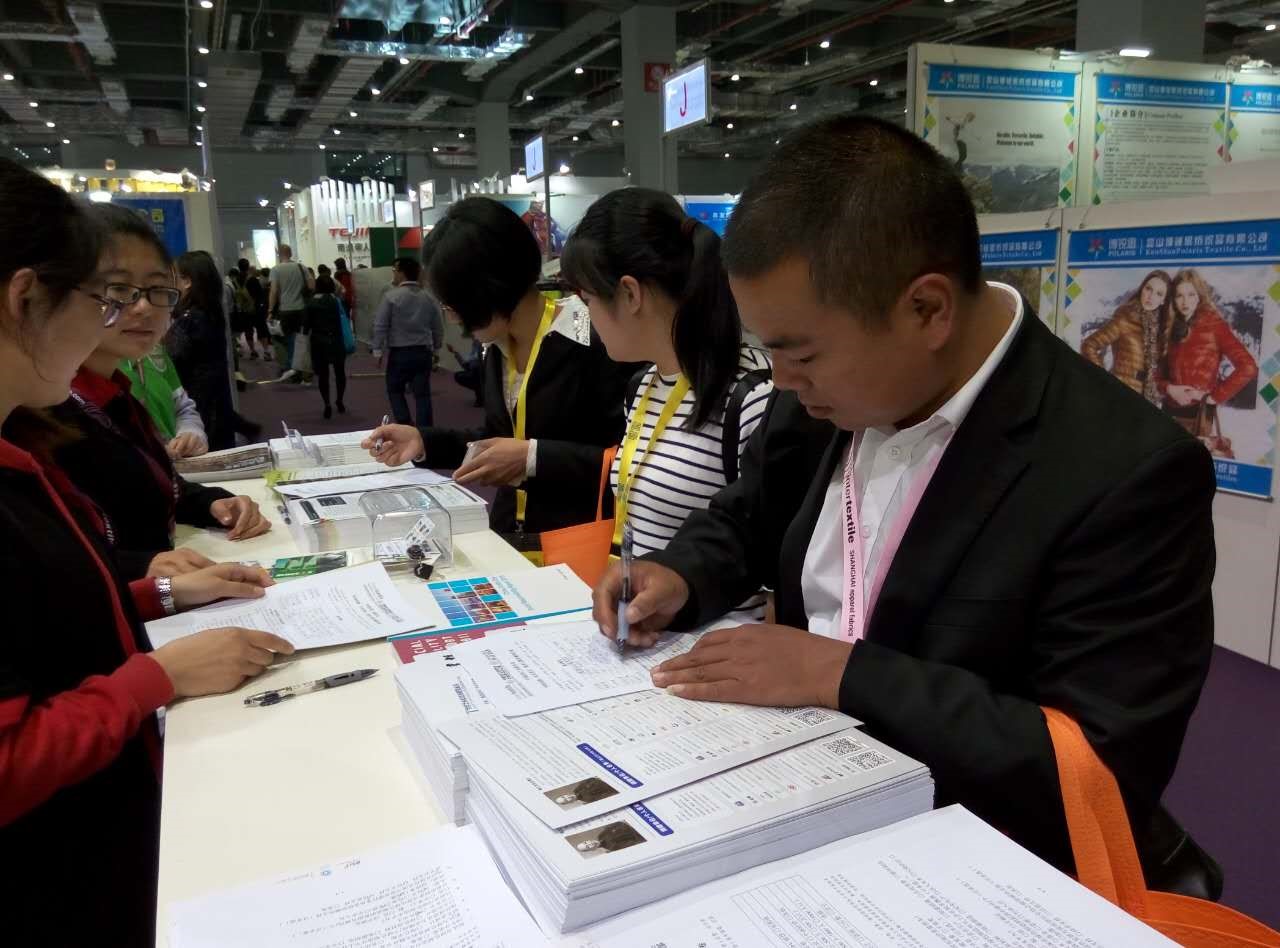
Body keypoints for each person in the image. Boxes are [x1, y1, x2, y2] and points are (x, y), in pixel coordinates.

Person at [591, 116, 1220, 897]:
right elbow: (751, 516)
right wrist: (681, 574)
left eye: (799, 351)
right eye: (771, 348)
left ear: (926, 311)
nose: (780, 378)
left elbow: (1095, 766)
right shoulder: (818, 396)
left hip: (968, 862)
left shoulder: (1122, 470)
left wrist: (843, 675)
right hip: (797, 796)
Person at [0, 156, 296, 945]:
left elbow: (46, 614)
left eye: (155, 293)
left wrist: (157, 594)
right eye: (101, 296)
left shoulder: (25, 446)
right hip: (59, 872)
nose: (127, 314)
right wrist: (154, 678)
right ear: (26, 299)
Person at [16, 203, 272, 581]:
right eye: (119, 289)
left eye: (158, 289)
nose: (143, 307)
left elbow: (151, 488)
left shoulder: (115, 395)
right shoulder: (40, 410)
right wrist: (145, 572)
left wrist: (212, 502)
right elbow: (47, 563)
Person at [364, 197, 636, 537]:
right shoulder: (496, 345)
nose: (453, 317)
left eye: (454, 303)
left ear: (489, 287)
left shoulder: (596, 341)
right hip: (514, 535)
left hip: (581, 541)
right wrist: (423, 441)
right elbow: (501, 442)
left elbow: (635, 462)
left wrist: (534, 458)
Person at [559, 187, 773, 562]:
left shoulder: (754, 395)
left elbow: (770, 555)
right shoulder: (643, 385)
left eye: (588, 301)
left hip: (712, 603)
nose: (588, 319)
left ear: (630, 294)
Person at [1160, 268, 1258, 443]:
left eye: (1191, 294)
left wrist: (1214, 397)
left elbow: (1248, 366)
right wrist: (1169, 388)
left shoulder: (1214, 325)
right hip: (1167, 411)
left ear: (1199, 296)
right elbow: (1157, 374)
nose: (1185, 302)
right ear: (1173, 299)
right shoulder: (1171, 327)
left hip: (1198, 414)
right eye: (1179, 295)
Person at [169, 252, 237, 450]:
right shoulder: (211, 313)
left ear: (187, 282)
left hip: (198, 404)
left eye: (174, 277)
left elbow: (171, 363)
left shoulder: (189, 320)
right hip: (216, 399)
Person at [1081, 270, 1173, 406]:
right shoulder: (1125, 318)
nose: (1151, 296)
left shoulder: (1159, 329)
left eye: (1159, 294)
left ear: (1163, 301)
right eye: (1148, 289)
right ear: (1142, 289)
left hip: (1147, 399)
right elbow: (1089, 345)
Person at [372, 256, 444, 427]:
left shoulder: (391, 296)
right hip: (423, 352)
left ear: (401, 273)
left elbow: (380, 325)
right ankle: (425, 432)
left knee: (395, 390)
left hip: (399, 353)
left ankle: (405, 425)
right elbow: (438, 327)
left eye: (394, 271)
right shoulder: (428, 298)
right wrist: (436, 349)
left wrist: (377, 350)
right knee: (422, 394)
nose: (393, 274)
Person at [119, 345, 211, 458]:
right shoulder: (102, 366)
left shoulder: (156, 353)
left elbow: (183, 410)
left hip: (175, 464)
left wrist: (191, 434)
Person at [303, 274, 348, 419]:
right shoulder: (336, 301)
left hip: (319, 342)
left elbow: (306, 326)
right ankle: (340, 400)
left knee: (323, 375)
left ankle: (327, 404)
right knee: (340, 373)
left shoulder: (311, 303)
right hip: (336, 340)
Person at [269, 243, 313, 379]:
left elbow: (274, 291)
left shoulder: (276, 269)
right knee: (302, 339)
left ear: (279, 254)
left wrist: (270, 310)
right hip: (301, 309)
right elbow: (311, 286)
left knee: (288, 339)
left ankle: (292, 368)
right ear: (291, 253)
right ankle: (303, 368)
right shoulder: (301, 267)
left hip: (285, 310)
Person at [238, 258, 271, 359]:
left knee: (248, 331)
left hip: (244, 309)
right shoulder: (252, 279)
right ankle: (266, 352)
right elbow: (260, 294)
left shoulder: (237, 280)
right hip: (256, 309)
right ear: (248, 266)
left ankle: (253, 351)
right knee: (262, 330)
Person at [334, 256, 356, 321]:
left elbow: (337, 286)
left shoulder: (337, 274)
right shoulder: (349, 273)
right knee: (347, 313)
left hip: (342, 297)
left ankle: (346, 326)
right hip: (349, 296)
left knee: (343, 315)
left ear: (338, 265)